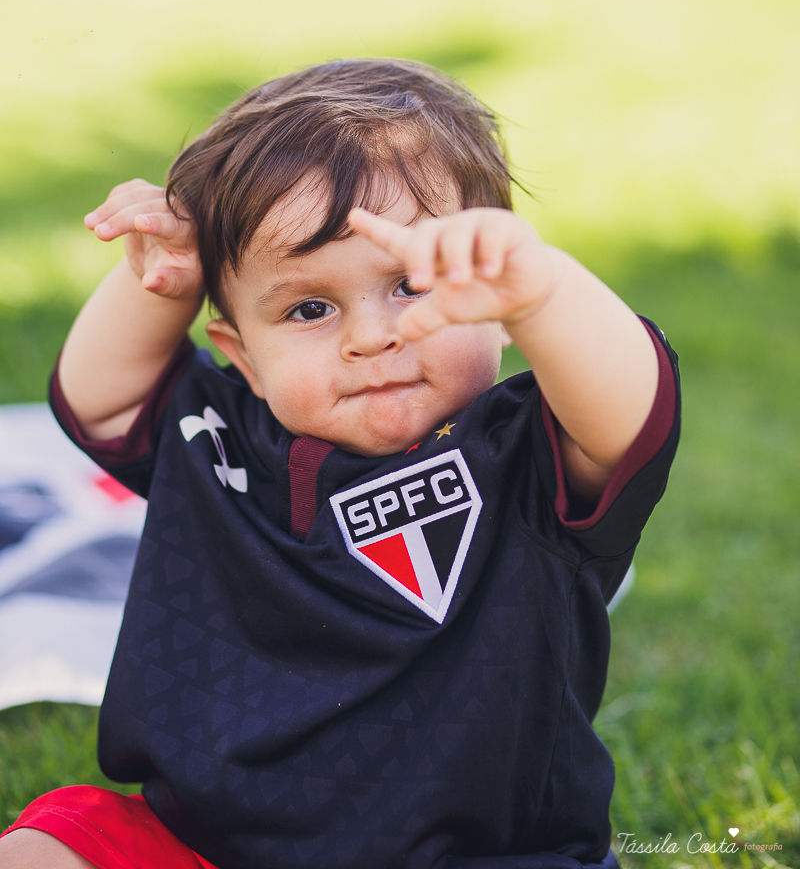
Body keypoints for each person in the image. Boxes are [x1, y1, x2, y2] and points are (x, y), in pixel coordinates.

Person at [0, 60, 680, 869]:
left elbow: (629, 416)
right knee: (50, 844)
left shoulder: (532, 454)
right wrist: (156, 285)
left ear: (496, 310)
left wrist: (546, 294)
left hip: (474, 854)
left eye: (411, 284)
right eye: (309, 309)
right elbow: (100, 403)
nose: (369, 335)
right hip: (209, 843)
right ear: (243, 357)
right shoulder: (220, 440)